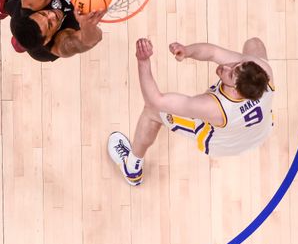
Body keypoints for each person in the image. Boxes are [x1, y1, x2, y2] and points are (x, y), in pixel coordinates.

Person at [107, 37, 275, 186]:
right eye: (235, 66)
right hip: (260, 131)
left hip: (222, 143)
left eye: (230, 75)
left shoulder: (212, 107)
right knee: (255, 44)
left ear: (236, 92)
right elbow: (213, 53)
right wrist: (187, 51)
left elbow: (155, 101)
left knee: (152, 112)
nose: (225, 67)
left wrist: (143, 61)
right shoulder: (262, 71)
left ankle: (132, 168)